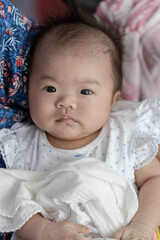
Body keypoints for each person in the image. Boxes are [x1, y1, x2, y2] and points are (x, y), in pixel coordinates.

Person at [0, 6, 160, 240]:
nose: (66, 102)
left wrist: (143, 226)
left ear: (112, 101)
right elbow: (13, 204)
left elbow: (155, 181)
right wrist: (44, 231)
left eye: (85, 91)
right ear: (28, 91)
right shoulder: (22, 145)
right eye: (50, 88)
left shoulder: (125, 135)